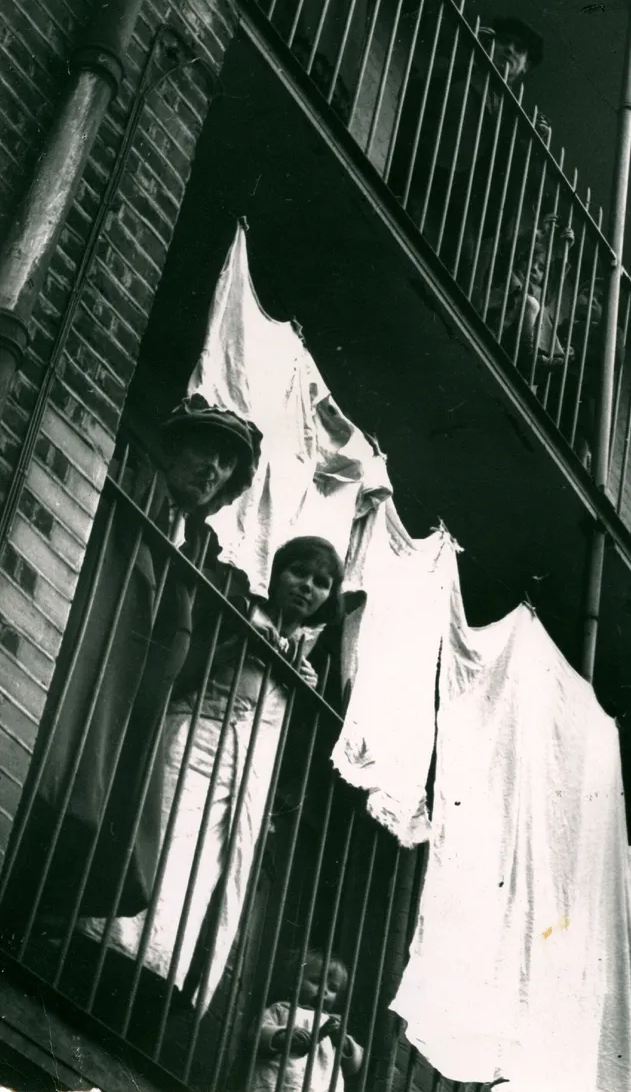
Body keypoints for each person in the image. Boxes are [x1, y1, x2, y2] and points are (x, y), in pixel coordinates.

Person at [0, 398, 261, 936]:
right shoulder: (130, 480)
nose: (212, 468)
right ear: (173, 447)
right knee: (47, 790)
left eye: (226, 463)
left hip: (127, 706)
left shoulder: (200, 549)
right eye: (203, 450)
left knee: (90, 827)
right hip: (86, 673)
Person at [82, 536, 345, 1015]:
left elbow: (298, 741)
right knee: (159, 849)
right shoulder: (242, 608)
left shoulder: (313, 659)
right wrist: (238, 642)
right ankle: (99, 951)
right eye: (299, 573)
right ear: (278, 573)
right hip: (195, 747)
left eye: (321, 583)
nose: (307, 587)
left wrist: (303, 690)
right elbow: (184, 665)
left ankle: (152, 978)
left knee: (199, 877)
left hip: (243, 779)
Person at [388, 14, 549, 267]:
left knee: (452, 269)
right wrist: (468, 53)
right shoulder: (461, 71)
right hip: (425, 181)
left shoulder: (512, 117)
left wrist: (533, 147)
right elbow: (419, 96)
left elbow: (507, 178)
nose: (510, 50)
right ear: (491, 45)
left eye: (520, 49)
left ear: (525, 66)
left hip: (462, 210)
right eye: (505, 41)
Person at [251, 949, 364, 1092]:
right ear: (294, 982)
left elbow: (354, 1065)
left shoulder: (333, 1023)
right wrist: (282, 1036)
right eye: (316, 981)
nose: (324, 990)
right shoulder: (281, 1010)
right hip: (283, 1082)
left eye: (333, 988)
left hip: (320, 1085)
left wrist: (344, 1043)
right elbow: (259, 1032)